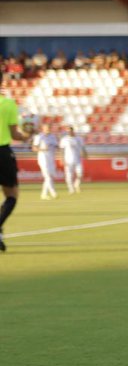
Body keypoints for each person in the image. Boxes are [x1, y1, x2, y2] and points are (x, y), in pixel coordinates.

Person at [0, 76, 30, 251]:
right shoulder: (8, 104)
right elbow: (15, 134)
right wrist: (26, 136)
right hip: (2, 152)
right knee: (11, 195)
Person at [32, 122, 58, 200]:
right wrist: (42, 149)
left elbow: (56, 146)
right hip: (43, 159)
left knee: (51, 176)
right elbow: (34, 148)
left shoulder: (53, 137)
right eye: (46, 128)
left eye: (49, 127)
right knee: (47, 176)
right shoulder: (39, 136)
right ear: (43, 128)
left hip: (51, 159)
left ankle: (44, 194)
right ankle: (53, 193)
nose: (48, 129)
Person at [59, 125, 86, 194]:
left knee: (80, 173)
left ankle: (76, 184)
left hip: (78, 159)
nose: (69, 132)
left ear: (73, 130)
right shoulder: (64, 139)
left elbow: (82, 147)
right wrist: (62, 159)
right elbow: (62, 150)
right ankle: (71, 189)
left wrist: (85, 153)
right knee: (69, 175)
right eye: (68, 131)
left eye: (70, 130)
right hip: (68, 160)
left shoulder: (79, 138)